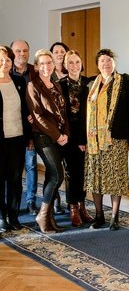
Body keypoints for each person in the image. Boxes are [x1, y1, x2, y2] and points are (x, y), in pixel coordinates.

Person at [84, 48, 129, 231]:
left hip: (117, 138)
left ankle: (115, 216)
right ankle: (99, 215)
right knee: (96, 178)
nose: (106, 64)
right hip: (94, 141)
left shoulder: (124, 81)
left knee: (116, 176)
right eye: (102, 62)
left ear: (114, 62)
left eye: (108, 61)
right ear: (97, 65)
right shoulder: (92, 84)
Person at [25, 49, 70, 234]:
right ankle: (42, 215)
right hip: (44, 137)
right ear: (36, 66)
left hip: (60, 135)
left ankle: (49, 217)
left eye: (49, 63)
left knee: (53, 175)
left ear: (53, 65)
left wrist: (65, 132)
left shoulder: (56, 84)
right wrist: (58, 136)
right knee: (57, 175)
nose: (46, 66)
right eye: (42, 63)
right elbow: (37, 117)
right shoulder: (32, 86)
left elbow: (63, 112)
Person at [59, 50, 94, 227]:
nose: (74, 66)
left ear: (81, 64)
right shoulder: (59, 85)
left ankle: (82, 206)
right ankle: (73, 207)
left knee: (83, 172)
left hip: (84, 135)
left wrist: (84, 140)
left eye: (77, 62)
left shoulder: (88, 84)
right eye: (70, 62)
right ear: (65, 65)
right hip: (66, 135)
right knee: (72, 173)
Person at [0, 46, 31, 231]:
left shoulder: (19, 80)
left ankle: (14, 216)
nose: (4, 63)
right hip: (0, 139)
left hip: (17, 137)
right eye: (1, 60)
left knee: (15, 179)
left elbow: (25, 109)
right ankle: (1, 217)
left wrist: (29, 135)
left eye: (7, 60)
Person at [10, 39, 38, 216]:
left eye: (25, 51)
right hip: (11, 128)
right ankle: (10, 205)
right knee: (11, 170)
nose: (22, 54)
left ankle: (30, 202)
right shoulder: (5, 72)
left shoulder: (34, 72)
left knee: (31, 165)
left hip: (31, 127)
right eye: (18, 51)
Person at [50, 41, 70, 214]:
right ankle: (55, 202)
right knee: (55, 169)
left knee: (70, 168)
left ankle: (73, 204)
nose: (59, 54)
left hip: (70, 127)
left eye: (62, 51)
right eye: (56, 51)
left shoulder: (71, 72)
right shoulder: (47, 75)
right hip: (54, 129)